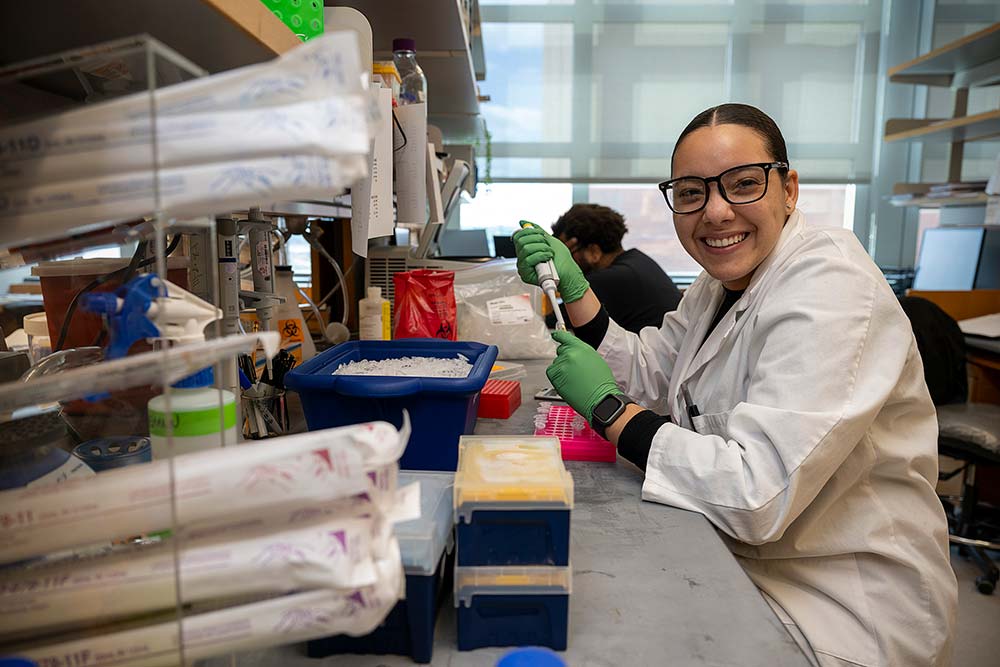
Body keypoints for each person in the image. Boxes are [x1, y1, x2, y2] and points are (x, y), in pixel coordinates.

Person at [513, 103, 957, 667]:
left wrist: (608, 412)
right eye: (693, 192)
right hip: (740, 558)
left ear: (789, 189)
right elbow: (654, 370)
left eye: (744, 184)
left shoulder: (832, 287)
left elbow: (758, 492)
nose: (717, 212)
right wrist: (576, 289)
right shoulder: (719, 282)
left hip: (837, 603)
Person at [548, 204, 682, 333]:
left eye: (567, 252)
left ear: (594, 252)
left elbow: (554, 322)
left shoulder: (608, 279)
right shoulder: (637, 261)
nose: (562, 260)